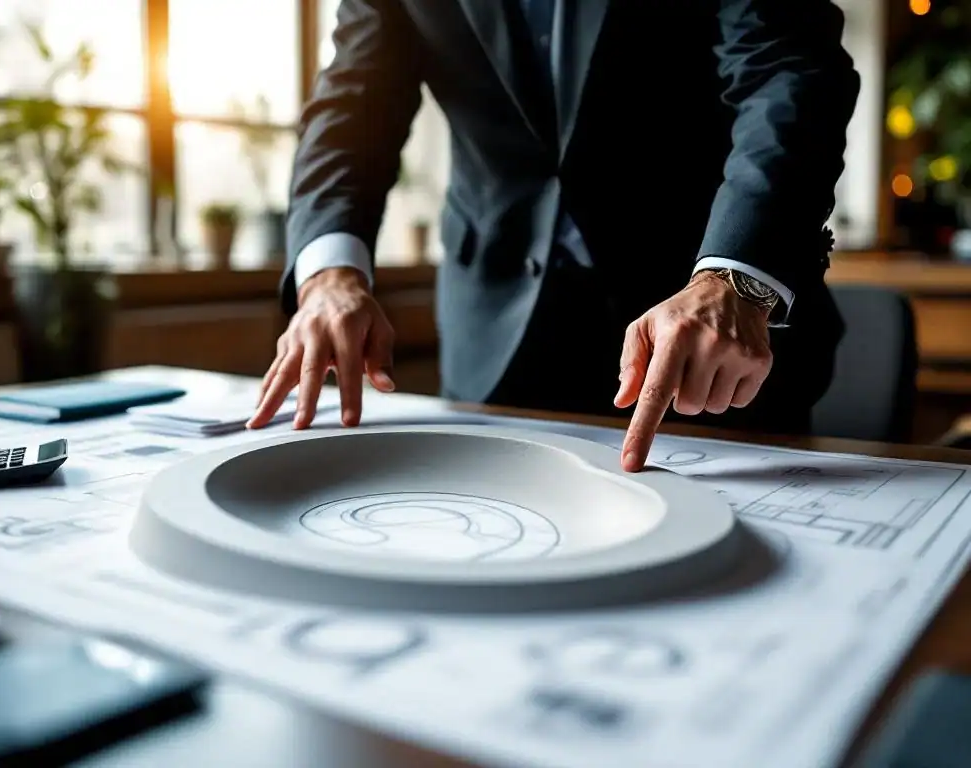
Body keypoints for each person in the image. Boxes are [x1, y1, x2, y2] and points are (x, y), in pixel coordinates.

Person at [248, 0, 860, 472]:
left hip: (704, 332)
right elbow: (352, 109)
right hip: (493, 334)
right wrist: (329, 272)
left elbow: (786, 71)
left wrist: (737, 274)